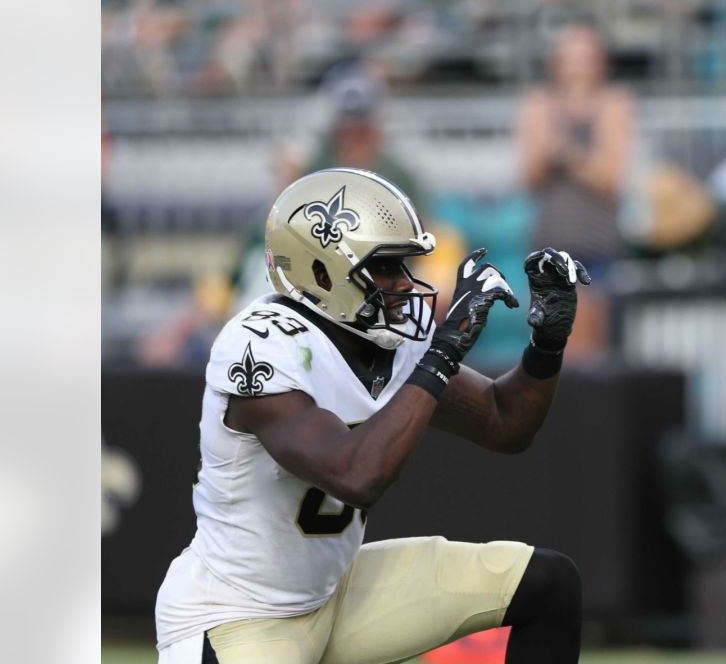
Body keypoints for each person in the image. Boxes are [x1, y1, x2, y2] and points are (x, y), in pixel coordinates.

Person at [154, 168, 590, 663]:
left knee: (550, 584)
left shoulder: (387, 340)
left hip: (336, 593)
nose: (404, 285)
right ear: (322, 274)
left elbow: (504, 423)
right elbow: (355, 475)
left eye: (405, 266)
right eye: (384, 268)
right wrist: (443, 352)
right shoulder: (261, 346)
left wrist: (548, 343)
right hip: (239, 615)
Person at [517, 23, 633, 361]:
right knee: (551, 349)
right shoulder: (539, 102)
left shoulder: (614, 103)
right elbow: (530, 175)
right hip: (551, 242)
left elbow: (610, 178)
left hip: (597, 241)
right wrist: (579, 159)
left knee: (592, 351)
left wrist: (565, 153)